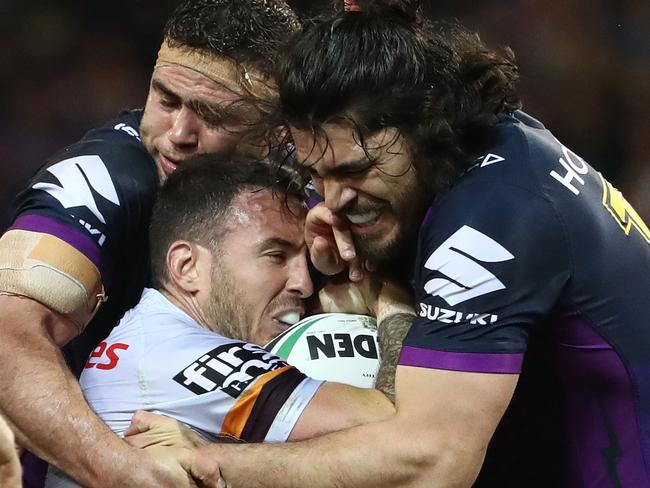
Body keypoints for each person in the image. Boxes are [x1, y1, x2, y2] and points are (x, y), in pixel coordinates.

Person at [129, 0, 650, 486]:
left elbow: (433, 461)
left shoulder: (497, 216)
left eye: (354, 171)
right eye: (319, 176)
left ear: (424, 126)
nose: (334, 200)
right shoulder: (490, 141)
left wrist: (208, 458)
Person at [0, 1, 302, 486]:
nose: (178, 134)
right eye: (166, 100)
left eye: (213, 116)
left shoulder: (312, 194)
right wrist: (127, 474)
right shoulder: (107, 180)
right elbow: (7, 335)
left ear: (278, 133)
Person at [47, 156, 412, 487]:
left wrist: (220, 457)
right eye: (275, 255)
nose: (303, 283)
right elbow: (400, 430)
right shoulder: (182, 357)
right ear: (187, 267)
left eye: (305, 260)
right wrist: (391, 303)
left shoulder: (148, 339)